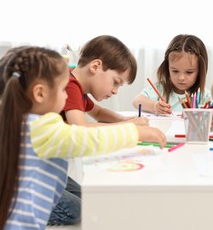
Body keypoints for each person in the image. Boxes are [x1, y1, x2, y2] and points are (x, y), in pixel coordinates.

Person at [0, 46, 166, 229]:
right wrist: (136, 132)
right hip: (16, 222)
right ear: (40, 93)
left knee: (85, 197)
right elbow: (85, 139)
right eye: (63, 90)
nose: (66, 95)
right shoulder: (41, 127)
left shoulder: (19, 121)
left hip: (1, 215)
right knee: (77, 208)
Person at [49, 35, 149, 225]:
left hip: (50, 169)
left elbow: (99, 112)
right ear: (95, 66)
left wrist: (127, 119)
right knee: (75, 210)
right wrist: (128, 127)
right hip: (27, 173)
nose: (115, 91)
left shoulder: (79, 89)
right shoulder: (69, 85)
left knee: (91, 198)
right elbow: (81, 128)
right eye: (116, 82)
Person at [132, 34, 211, 114]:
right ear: (167, 68)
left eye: (189, 72)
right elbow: (136, 101)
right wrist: (154, 106)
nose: (181, 78)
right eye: (175, 71)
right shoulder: (160, 89)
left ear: (200, 71)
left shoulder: (204, 95)